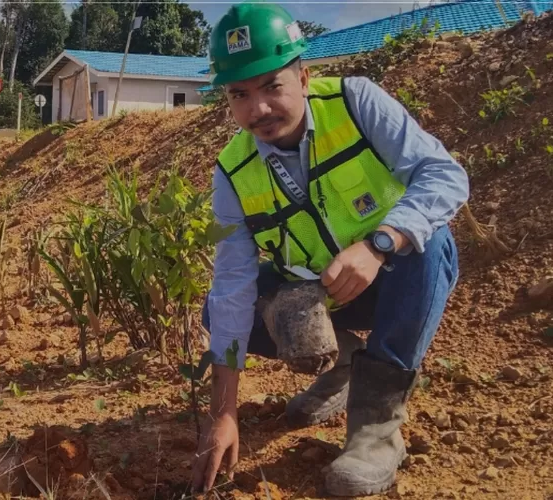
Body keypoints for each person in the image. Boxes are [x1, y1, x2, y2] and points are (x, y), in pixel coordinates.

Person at [192, 3, 469, 497]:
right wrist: (223, 412)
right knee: (221, 311)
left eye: (272, 86)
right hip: (319, 291)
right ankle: (342, 366)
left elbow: (444, 175)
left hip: (393, 278)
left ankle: (376, 430)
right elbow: (234, 282)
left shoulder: (355, 101)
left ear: (303, 75)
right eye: (240, 94)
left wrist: (380, 244)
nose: (258, 109)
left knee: (430, 244)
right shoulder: (232, 170)